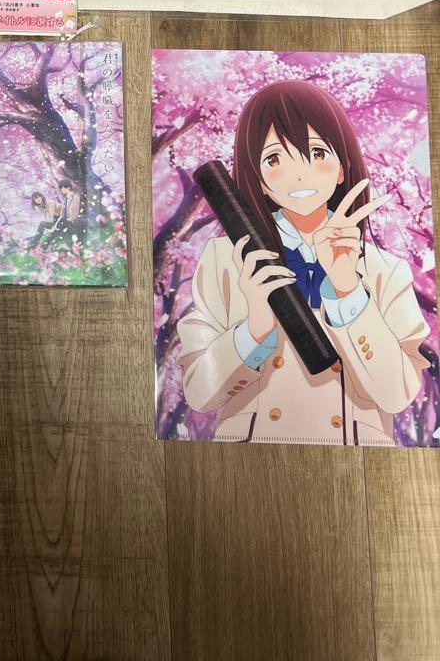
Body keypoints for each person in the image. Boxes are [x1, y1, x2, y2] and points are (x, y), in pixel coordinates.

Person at [177, 80, 427, 445]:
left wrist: (348, 291)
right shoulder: (225, 260)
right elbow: (198, 394)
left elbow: (397, 395)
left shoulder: (385, 270)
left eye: (317, 153)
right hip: (251, 456)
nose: (298, 174)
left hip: (355, 457)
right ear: (260, 180)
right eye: (274, 159)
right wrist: (255, 328)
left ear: (341, 168)